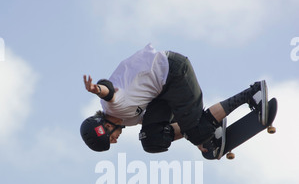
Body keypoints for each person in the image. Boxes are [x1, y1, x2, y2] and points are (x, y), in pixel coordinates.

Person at [80, 44, 268, 156]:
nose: (114, 142)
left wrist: (96, 89)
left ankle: (251, 93)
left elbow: (108, 90)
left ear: (103, 128)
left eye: (109, 139)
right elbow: (164, 123)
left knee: (196, 131)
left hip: (174, 72)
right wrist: (200, 138)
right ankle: (209, 128)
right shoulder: (127, 120)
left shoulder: (113, 105)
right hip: (162, 91)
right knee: (152, 141)